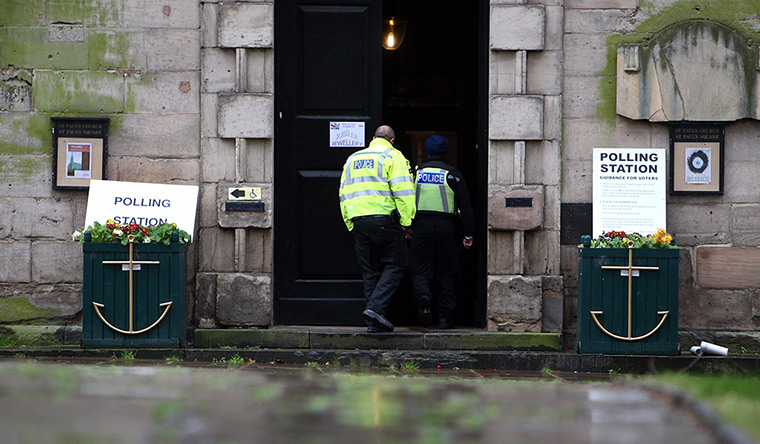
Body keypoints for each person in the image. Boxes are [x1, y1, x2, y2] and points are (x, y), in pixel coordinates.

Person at [339, 125, 416, 333]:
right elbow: (404, 191)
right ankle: (374, 308)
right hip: (386, 221)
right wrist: (406, 222)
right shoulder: (393, 156)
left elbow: (343, 192)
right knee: (397, 264)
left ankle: (373, 323)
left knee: (370, 270)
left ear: (373, 138)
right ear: (392, 140)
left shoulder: (353, 159)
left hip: (360, 222)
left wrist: (350, 221)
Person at [410, 135, 474, 329]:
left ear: (427, 152)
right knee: (447, 270)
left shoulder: (415, 173)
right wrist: (468, 233)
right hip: (447, 227)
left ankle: (423, 298)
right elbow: (466, 206)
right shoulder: (453, 174)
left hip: (420, 226)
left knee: (419, 268)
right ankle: (445, 318)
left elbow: (403, 198)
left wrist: (405, 225)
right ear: (445, 152)